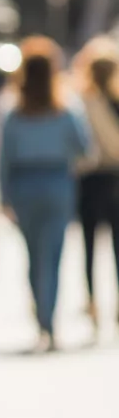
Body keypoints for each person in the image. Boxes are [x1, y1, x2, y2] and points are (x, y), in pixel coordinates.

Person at [0, 37, 91, 351]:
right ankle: (49, 323)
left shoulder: (13, 112)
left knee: (33, 254)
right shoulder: (67, 108)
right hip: (56, 183)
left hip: (24, 185)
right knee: (53, 255)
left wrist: (4, 197)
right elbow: (85, 148)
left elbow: (4, 158)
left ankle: (42, 321)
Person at [72, 36, 119, 329]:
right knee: (116, 244)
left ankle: (92, 303)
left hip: (90, 179)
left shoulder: (82, 102)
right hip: (114, 176)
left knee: (88, 244)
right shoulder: (111, 102)